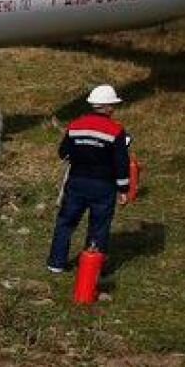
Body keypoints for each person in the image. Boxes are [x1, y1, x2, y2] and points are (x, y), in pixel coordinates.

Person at [47, 84, 132, 273]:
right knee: (98, 225)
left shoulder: (75, 125)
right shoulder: (116, 131)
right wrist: (124, 189)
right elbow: (121, 163)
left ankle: (56, 263)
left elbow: (63, 152)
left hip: (76, 182)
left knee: (66, 222)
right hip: (103, 186)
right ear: (108, 106)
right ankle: (91, 267)